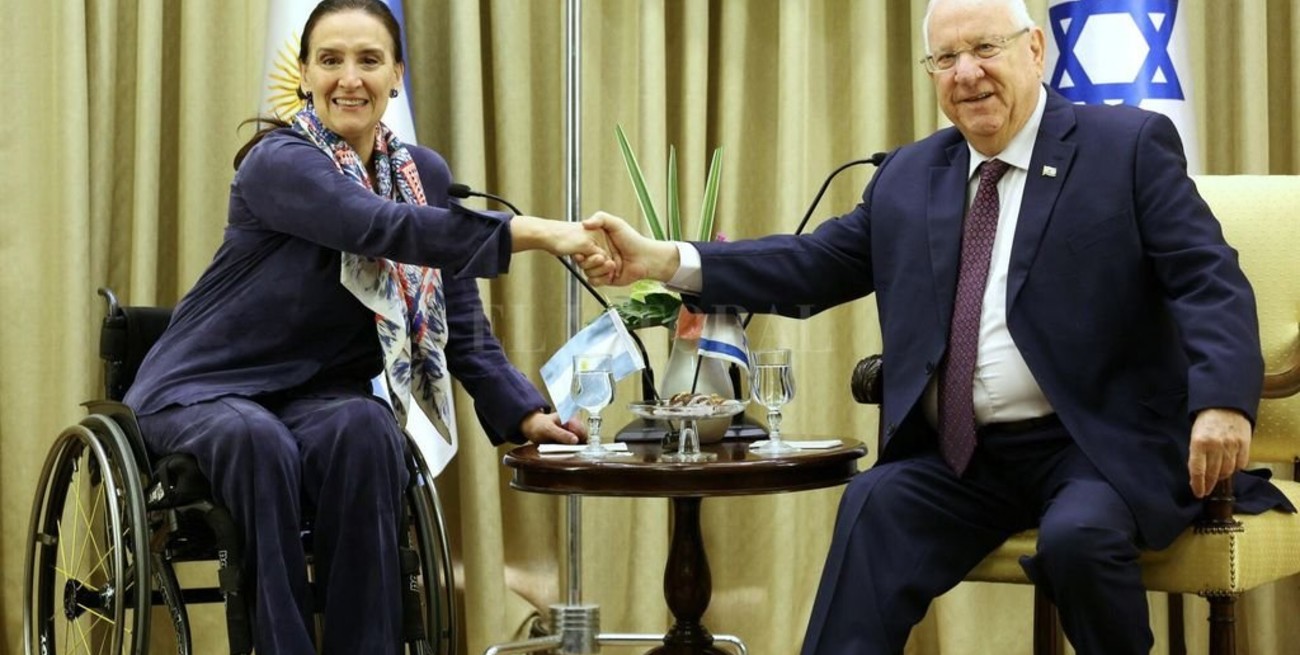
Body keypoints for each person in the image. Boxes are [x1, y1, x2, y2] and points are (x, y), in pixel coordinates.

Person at [584, 0, 1294, 652]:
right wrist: (663, 260)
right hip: (964, 457)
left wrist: (1223, 402)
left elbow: (1208, 279)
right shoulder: (909, 174)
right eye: (945, 58)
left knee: (1078, 540)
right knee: (875, 505)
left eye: (985, 48)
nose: (966, 73)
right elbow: (812, 264)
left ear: (1034, 50)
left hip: (1095, 444)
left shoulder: (1125, 146)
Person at [123, 1, 610, 652]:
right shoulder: (278, 161)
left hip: (317, 396)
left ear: (396, 75)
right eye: (330, 60)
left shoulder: (422, 176)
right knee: (255, 439)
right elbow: (375, 225)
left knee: (368, 429)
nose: (349, 78)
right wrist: (540, 232)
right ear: (304, 74)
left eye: (369, 60)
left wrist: (524, 413)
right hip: (204, 389)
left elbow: (456, 316)